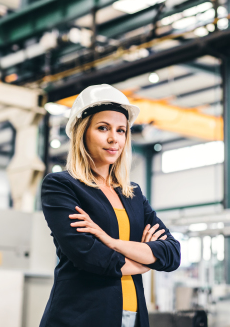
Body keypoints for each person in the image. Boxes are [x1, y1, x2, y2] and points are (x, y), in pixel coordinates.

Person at [38, 84, 181, 327]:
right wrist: (145, 260)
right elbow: (90, 257)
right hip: (79, 318)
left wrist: (111, 242)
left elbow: (172, 253)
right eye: (103, 128)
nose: (114, 138)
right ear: (83, 132)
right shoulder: (61, 186)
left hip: (130, 318)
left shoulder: (132, 194)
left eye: (121, 130)